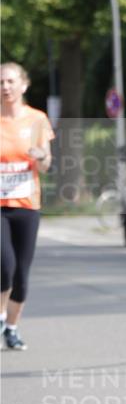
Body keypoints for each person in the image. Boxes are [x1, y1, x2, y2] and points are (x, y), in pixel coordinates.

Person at [1, 62, 54, 351]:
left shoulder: (37, 119)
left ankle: (12, 327)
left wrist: (39, 156)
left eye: (10, 81)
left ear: (24, 84)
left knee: (21, 273)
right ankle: (0, 318)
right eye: (1, 82)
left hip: (27, 204)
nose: (5, 87)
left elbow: (46, 165)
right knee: (5, 266)